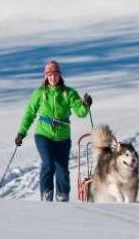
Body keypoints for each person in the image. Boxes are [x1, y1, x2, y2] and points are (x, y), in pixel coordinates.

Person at [15, 60, 92, 202]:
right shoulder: (39, 93)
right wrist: (22, 132)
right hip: (43, 134)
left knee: (62, 169)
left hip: (63, 136)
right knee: (49, 163)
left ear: (60, 75)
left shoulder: (69, 93)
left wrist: (85, 105)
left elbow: (80, 112)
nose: (52, 77)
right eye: (49, 74)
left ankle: (62, 195)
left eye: (55, 74)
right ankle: (46, 193)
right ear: (45, 76)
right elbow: (29, 113)